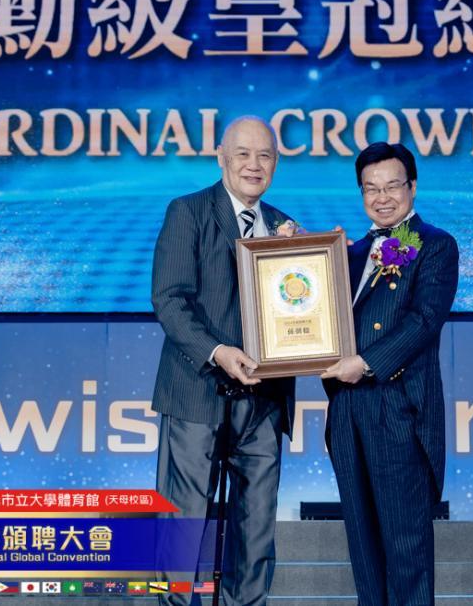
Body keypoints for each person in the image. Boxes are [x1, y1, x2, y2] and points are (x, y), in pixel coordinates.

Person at [151, 116, 296, 606]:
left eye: (265, 156)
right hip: (197, 392)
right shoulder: (188, 212)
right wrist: (218, 352)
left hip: (264, 400)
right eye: (243, 154)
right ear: (221, 157)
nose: (254, 165)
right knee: (183, 523)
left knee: (256, 528)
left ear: (275, 163)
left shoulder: (285, 227)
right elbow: (170, 299)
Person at [321, 142, 459, 606]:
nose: (382, 197)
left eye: (392, 186)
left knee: (405, 550)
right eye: (370, 188)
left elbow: (424, 320)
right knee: (364, 552)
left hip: (399, 409)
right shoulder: (349, 253)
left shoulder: (435, 245)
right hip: (347, 411)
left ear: (412, 187)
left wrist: (364, 364)